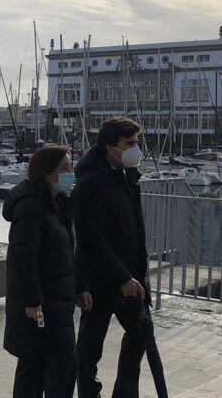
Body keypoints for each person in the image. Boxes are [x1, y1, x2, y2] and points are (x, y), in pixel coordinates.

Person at [72, 116, 157, 398]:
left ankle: (125, 393)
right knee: (89, 349)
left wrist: (137, 276)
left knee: (141, 331)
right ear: (111, 147)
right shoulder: (90, 183)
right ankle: (89, 393)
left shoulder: (126, 176)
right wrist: (121, 276)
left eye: (137, 142)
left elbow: (134, 230)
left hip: (130, 277)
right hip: (100, 278)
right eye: (130, 143)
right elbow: (90, 239)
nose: (136, 148)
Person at [3, 145, 86, 397]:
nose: (71, 173)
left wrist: (79, 287)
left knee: (36, 367)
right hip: (41, 305)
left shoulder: (58, 203)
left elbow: (66, 253)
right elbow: (23, 258)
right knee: (53, 366)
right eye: (64, 168)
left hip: (57, 301)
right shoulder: (31, 206)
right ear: (47, 174)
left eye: (71, 167)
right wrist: (32, 300)